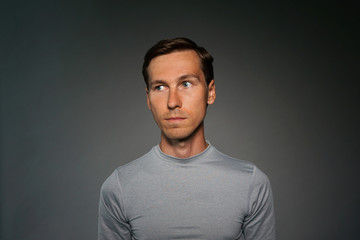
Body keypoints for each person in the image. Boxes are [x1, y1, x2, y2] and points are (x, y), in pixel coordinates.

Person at [98, 37, 276, 240]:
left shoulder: (251, 183)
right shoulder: (119, 187)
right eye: (160, 87)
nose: (173, 102)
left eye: (186, 83)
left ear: (210, 92)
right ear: (148, 99)